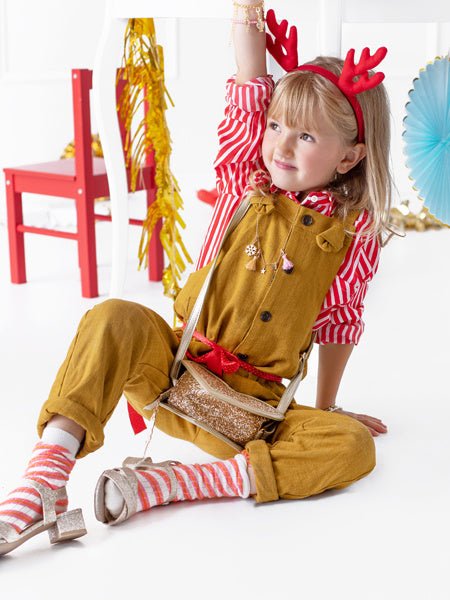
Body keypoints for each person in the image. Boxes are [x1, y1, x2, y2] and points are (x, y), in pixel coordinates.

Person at [0, 1, 390, 556]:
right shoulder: (242, 181)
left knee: (351, 446)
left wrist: (326, 410)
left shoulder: (352, 236)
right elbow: (250, 81)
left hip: (253, 418)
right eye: (275, 125)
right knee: (113, 316)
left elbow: (340, 325)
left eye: (306, 137)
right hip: (172, 375)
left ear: (349, 157)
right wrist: (248, 14)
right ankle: (44, 482)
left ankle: (168, 484)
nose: (280, 146)